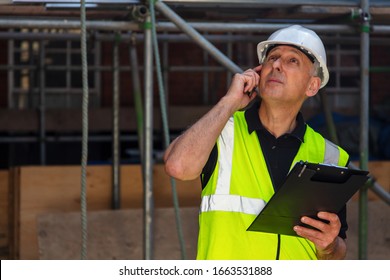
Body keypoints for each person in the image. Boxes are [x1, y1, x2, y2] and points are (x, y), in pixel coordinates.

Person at [163, 25, 349, 260]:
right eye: (272, 58)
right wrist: (229, 103)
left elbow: (337, 251)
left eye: (292, 61)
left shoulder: (330, 156)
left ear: (312, 85)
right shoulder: (222, 130)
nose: (277, 65)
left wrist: (329, 245)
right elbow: (177, 167)